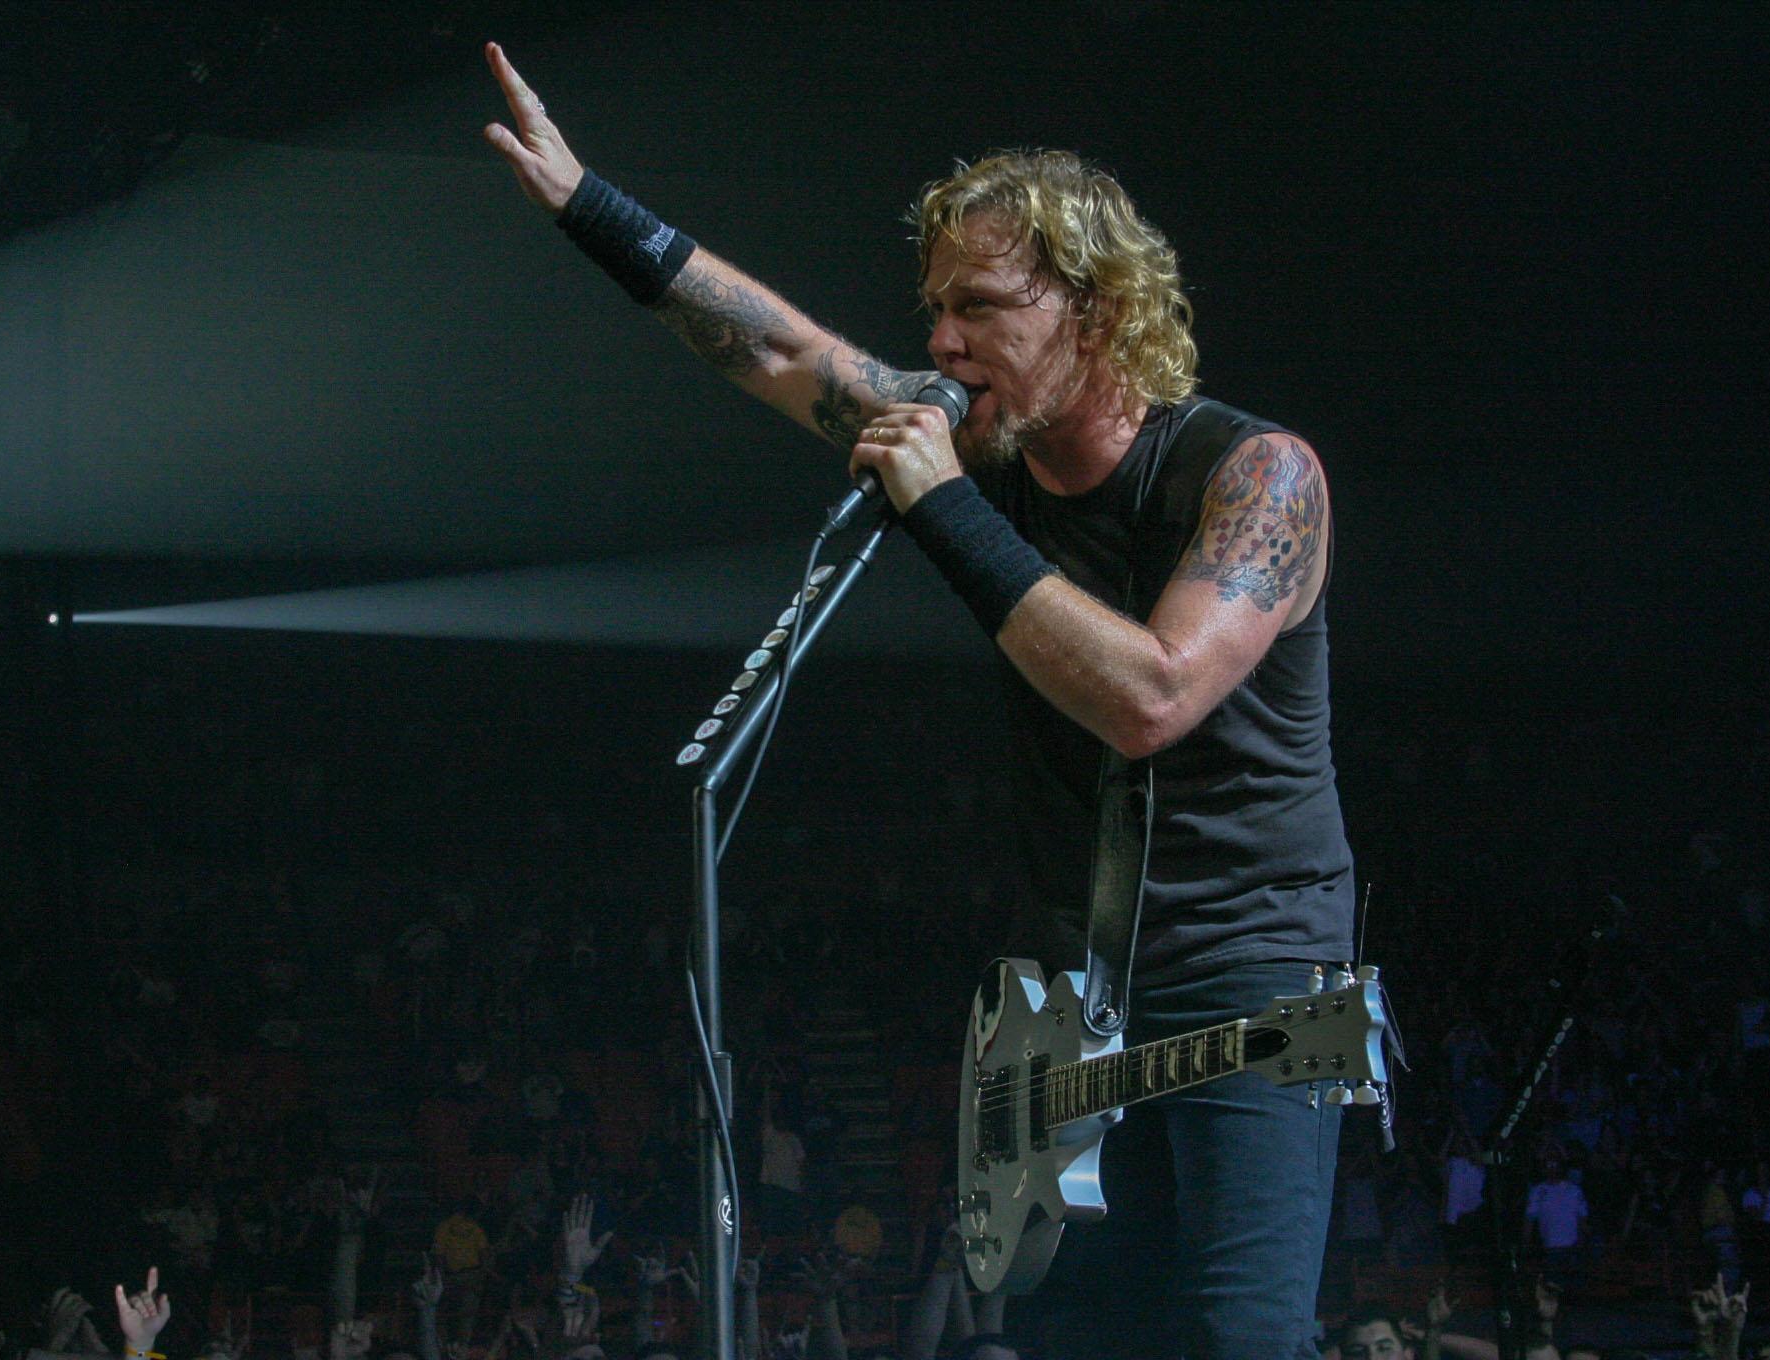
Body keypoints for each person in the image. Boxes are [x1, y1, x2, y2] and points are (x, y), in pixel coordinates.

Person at [482, 37, 1353, 1360]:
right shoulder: (987, 453)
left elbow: (1154, 696)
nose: (940, 340)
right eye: (935, 306)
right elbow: (779, 349)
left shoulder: (1258, 477)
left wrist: (944, 506)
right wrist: (589, 206)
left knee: (1239, 1339)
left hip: (1256, 978)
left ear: (1094, 309)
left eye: (980, 306)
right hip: (1082, 986)